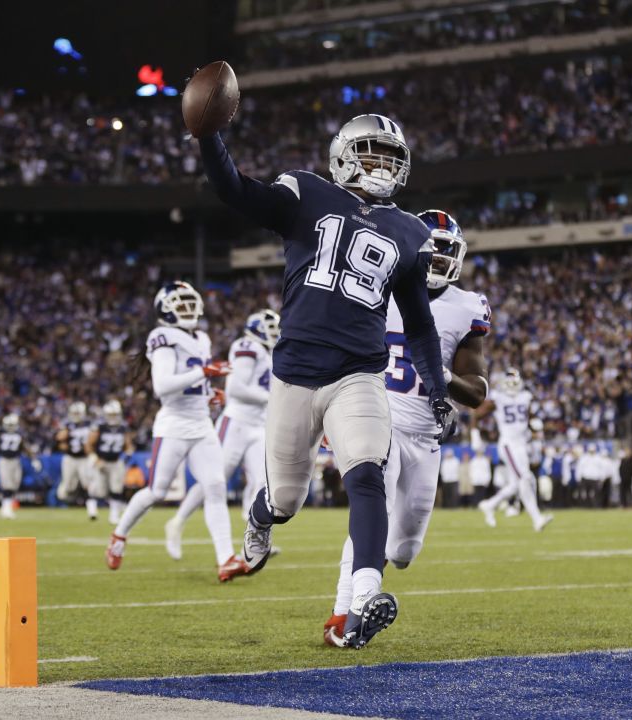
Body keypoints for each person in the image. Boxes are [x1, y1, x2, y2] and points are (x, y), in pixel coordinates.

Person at [198, 113, 454, 649]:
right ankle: (260, 516)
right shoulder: (305, 191)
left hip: (359, 374)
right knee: (288, 499)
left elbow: (422, 326)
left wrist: (436, 389)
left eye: (390, 156)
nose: (381, 164)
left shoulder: (410, 231)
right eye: (371, 152)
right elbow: (235, 190)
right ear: (341, 154)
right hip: (293, 377)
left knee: (366, 474)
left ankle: (363, 595)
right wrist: (208, 135)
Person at [323, 209, 490, 647]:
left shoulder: (466, 307)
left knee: (403, 550)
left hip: (428, 438)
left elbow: (476, 392)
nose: (435, 261)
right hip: (382, 420)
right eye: (428, 252)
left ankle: (364, 592)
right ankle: (343, 617)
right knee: (373, 514)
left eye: (443, 253)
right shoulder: (375, 291)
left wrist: (441, 373)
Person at [104, 282, 243, 581]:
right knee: (156, 491)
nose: (188, 309)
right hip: (174, 424)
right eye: (180, 304)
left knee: (216, 486)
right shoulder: (162, 336)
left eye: (190, 303)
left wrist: (209, 394)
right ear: (164, 310)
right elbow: (163, 386)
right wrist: (204, 373)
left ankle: (225, 559)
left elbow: (193, 382)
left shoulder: (202, 338)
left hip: (201, 422)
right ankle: (119, 535)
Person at [164, 309, 281, 568]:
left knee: (264, 481)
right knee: (215, 480)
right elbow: (236, 389)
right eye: (271, 328)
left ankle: (251, 539)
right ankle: (177, 522)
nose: (275, 333)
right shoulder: (246, 345)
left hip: (259, 425)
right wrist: (272, 398)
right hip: (236, 422)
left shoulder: (270, 353)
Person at [477, 369, 553, 531]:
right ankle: (537, 519)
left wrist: (535, 428)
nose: (512, 386)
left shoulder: (525, 397)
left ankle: (490, 505)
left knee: (515, 484)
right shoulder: (498, 398)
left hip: (521, 445)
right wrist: (476, 434)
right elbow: (477, 414)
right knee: (525, 478)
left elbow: (529, 417)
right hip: (509, 444)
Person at [87, 400, 134, 524]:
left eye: (115, 414)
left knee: (117, 488)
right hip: (101, 460)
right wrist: (95, 459)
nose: (113, 417)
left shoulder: (123, 427)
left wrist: (128, 454)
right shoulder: (99, 427)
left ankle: (114, 516)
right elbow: (89, 445)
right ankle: (92, 509)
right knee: (100, 490)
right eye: (111, 415)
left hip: (116, 461)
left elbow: (128, 445)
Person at [56, 402, 98, 519]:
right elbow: (59, 439)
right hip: (70, 458)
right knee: (69, 486)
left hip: (85, 458)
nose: (75, 415)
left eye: (77, 413)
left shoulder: (90, 424)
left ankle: (92, 510)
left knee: (88, 483)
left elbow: (95, 438)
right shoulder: (67, 424)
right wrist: (62, 438)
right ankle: (63, 497)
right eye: (74, 413)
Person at [0, 413, 25, 519]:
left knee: (15, 484)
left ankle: (6, 506)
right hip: (4, 460)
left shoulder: (19, 434)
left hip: (15, 460)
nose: (11, 427)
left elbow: (24, 446)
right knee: (7, 484)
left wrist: (33, 459)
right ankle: (6, 507)